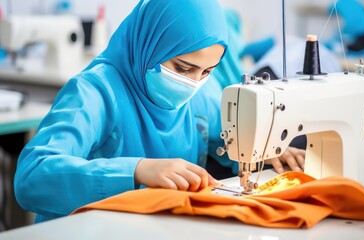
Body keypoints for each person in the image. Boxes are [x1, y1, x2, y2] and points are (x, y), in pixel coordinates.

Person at [14, 0, 304, 223]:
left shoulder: (198, 97)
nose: (193, 83)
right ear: (150, 43)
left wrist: (266, 150)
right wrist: (137, 170)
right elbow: (32, 177)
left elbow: (228, 142)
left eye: (207, 72)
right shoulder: (95, 92)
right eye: (182, 68)